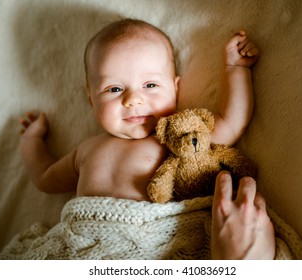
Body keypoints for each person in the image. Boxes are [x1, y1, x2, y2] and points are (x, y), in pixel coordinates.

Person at [19, 19, 274, 259]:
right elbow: (45, 177)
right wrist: (32, 141)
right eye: (114, 89)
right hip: (83, 242)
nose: (133, 99)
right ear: (90, 100)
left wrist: (235, 69)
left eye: (150, 85)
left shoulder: (173, 137)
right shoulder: (86, 149)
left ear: (175, 88)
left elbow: (230, 123)